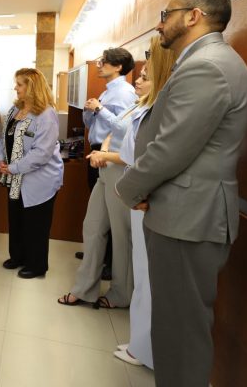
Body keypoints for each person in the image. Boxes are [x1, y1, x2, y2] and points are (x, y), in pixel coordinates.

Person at [116, 0, 247, 387]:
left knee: (181, 335)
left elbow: (170, 148)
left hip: (188, 219)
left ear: (194, 16)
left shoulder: (207, 66)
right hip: (184, 214)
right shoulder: (204, 62)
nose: (159, 24)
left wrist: (128, 189)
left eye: (166, 14)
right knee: (174, 328)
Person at [59, 39, 174, 310]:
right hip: (106, 167)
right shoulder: (139, 103)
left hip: (121, 173)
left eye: (144, 78)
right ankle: (84, 288)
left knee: (121, 238)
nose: (138, 81)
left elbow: (140, 152)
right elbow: (114, 131)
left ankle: (121, 293)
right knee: (92, 227)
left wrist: (107, 155)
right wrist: (104, 149)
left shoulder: (153, 108)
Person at [108, 39, 176, 368]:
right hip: (138, 196)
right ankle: (139, 342)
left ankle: (145, 349)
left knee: (150, 278)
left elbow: (152, 157)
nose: (138, 79)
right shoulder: (147, 105)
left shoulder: (163, 107)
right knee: (142, 273)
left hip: (148, 198)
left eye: (146, 74)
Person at [0, 68, 63, 278]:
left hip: (38, 179)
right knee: (16, 218)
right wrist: (1, 159)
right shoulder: (14, 110)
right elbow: (3, 137)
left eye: (19, 84)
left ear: (32, 87)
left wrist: (14, 167)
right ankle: (17, 256)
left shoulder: (46, 114)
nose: (15, 88)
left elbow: (42, 153)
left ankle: (36, 265)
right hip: (14, 177)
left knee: (36, 223)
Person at [80, 47, 137, 276]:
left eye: (104, 62)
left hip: (110, 156)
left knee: (112, 213)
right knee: (99, 211)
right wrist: (90, 111)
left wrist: (100, 109)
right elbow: (94, 123)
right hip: (97, 150)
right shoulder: (107, 91)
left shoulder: (124, 92)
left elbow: (124, 128)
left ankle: (111, 263)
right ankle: (100, 255)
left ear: (118, 66)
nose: (99, 65)